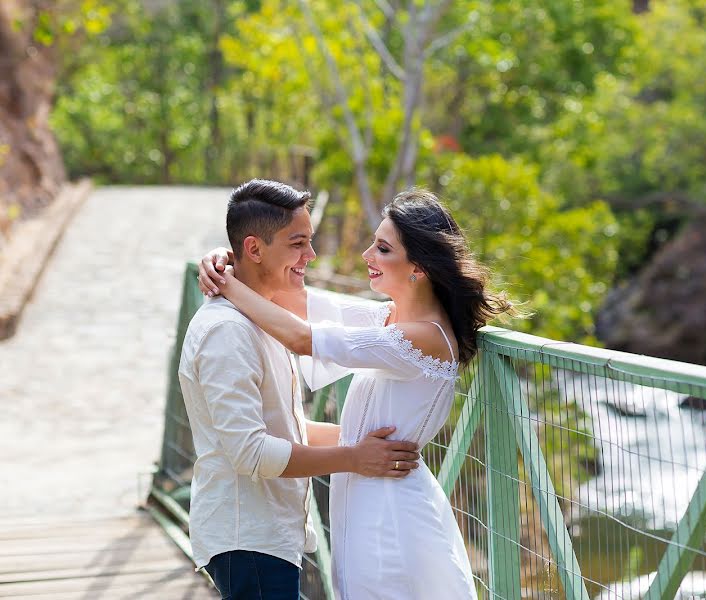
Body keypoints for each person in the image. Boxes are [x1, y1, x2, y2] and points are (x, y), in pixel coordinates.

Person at [199, 188, 513, 599]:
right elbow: (295, 299)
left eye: (382, 249)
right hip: (366, 490)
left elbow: (300, 337)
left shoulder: (423, 337)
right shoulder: (387, 318)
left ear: (418, 266)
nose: (367, 255)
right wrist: (225, 259)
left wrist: (226, 283)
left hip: (391, 505)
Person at [181, 179, 421, 600]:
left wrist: (366, 445)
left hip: (265, 535)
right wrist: (352, 458)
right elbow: (250, 452)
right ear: (254, 250)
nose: (310, 256)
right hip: (247, 537)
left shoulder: (261, 316)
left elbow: (283, 428)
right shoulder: (227, 332)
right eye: (298, 244)